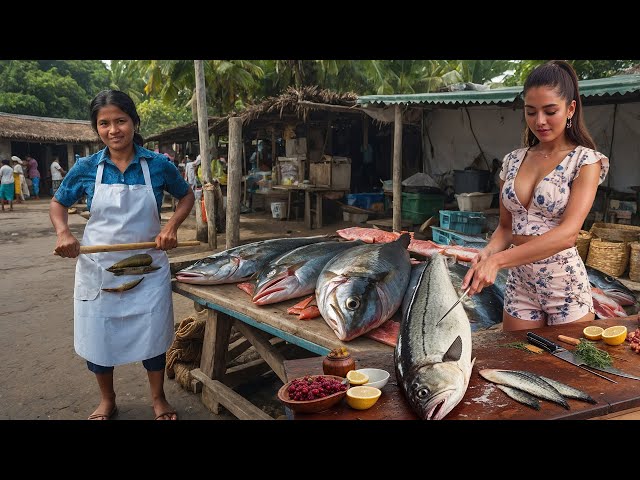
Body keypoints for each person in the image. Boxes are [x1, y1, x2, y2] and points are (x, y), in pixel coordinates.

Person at [49, 90, 195, 420]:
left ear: (133, 122)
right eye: (104, 123)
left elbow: (185, 196)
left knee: (154, 337)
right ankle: (107, 400)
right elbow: (58, 203)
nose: (113, 130)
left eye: (120, 121)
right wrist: (63, 232)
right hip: (99, 267)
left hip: (149, 265)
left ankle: (158, 399)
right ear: (96, 128)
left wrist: (171, 227)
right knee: (100, 337)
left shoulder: (157, 165)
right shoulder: (86, 167)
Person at [461, 60, 609, 332]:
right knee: (517, 362)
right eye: (531, 112)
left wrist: (498, 261)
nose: (539, 121)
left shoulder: (585, 161)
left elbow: (568, 234)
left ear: (570, 109)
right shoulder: (513, 160)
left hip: (564, 284)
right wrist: (487, 254)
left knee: (568, 367)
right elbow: (505, 228)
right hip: (520, 284)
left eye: (550, 111)